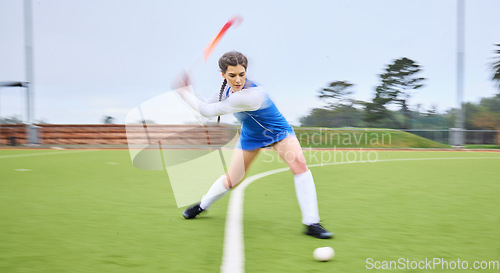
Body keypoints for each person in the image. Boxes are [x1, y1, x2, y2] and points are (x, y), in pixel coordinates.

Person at [175, 51, 332, 239]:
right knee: (232, 179)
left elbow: (207, 111)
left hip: (278, 133)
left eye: (242, 74)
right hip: (251, 135)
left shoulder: (251, 95)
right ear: (223, 75)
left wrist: (184, 93)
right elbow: (206, 104)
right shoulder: (225, 90)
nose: (238, 80)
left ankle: (311, 223)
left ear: (246, 72)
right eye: (232, 75)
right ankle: (202, 205)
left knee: (299, 165)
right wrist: (189, 91)